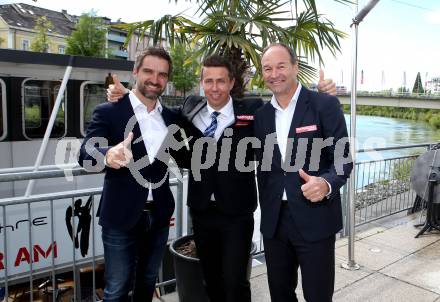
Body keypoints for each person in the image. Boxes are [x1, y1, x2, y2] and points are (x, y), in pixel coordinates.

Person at [107, 53, 337, 302]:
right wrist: (125, 96)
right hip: (203, 210)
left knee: (236, 282)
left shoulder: (253, 109)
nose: (214, 88)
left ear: (231, 83)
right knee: (210, 279)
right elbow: (153, 108)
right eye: (209, 81)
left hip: (237, 213)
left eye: (220, 81)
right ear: (201, 82)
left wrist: (321, 92)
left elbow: (287, 107)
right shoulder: (189, 108)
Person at [78, 47, 187, 302]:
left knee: (148, 281)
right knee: (116, 287)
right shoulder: (110, 111)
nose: (155, 79)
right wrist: (106, 155)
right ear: (136, 71)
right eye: (148, 71)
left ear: (167, 80)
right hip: (120, 215)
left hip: (158, 215)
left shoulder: (171, 118)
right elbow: (85, 153)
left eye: (162, 74)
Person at [254, 43, 352, 302]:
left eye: (281, 66)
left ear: (296, 67)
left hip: (315, 219)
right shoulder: (261, 115)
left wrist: (327, 183)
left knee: (318, 296)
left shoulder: (324, 104)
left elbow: (343, 160)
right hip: (275, 223)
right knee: (280, 295)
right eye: (267, 68)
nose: (274, 73)